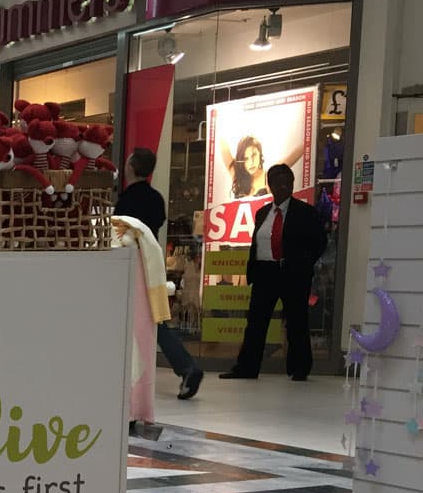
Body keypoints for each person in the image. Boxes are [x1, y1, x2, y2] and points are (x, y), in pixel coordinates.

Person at [220, 163, 327, 382]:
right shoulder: (262, 213)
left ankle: (299, 368)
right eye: (277, 183)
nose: (282, 188)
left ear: (292, 185)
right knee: (256, 322)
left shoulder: (305, 213)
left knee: (296, 321)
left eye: (287, 183)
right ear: (270, 186)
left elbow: (320, 242)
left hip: (292, 272)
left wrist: (304, 263)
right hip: (265, 272)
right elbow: (257, 243)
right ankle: (247, 367)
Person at [114, 148, 204, 401]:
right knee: (156, 318)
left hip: (131, 266)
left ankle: (185, 368)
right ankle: (185, 368)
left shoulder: (127, 200)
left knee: (151, 322)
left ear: (131, 167)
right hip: (151, 264)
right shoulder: (155, 198)